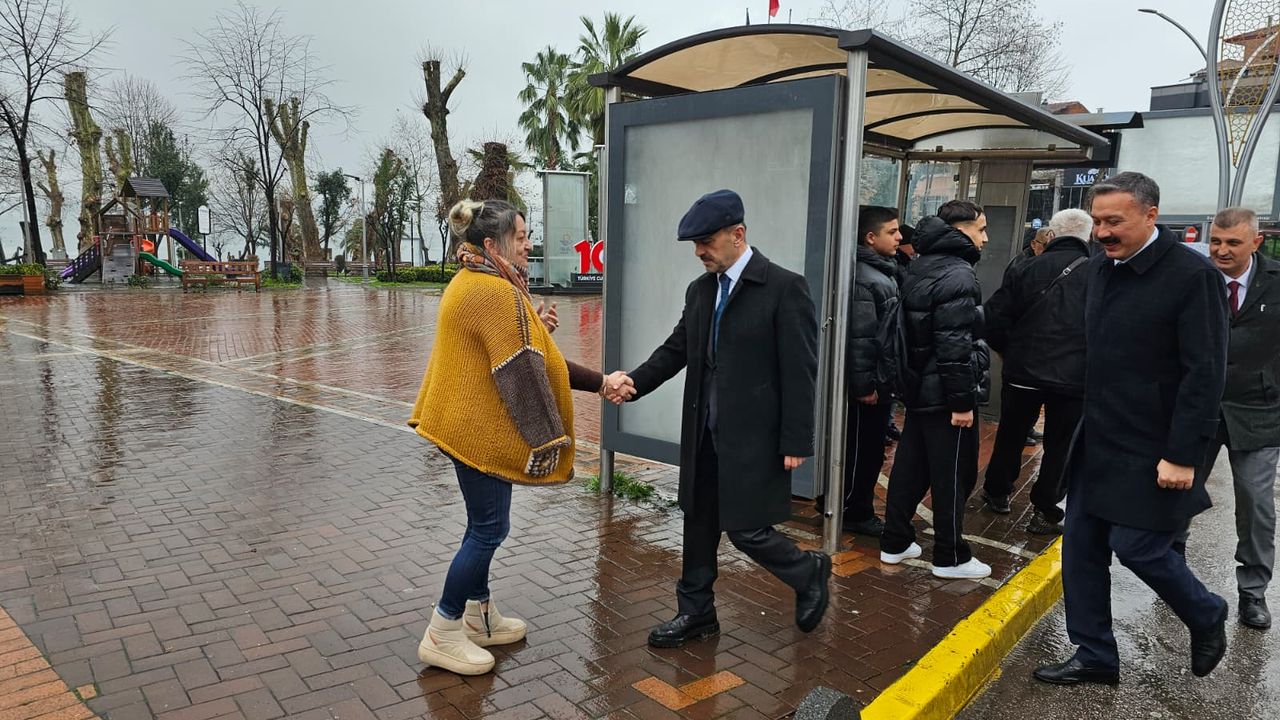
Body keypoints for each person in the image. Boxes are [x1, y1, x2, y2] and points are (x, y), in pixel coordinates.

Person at [408, 199, 633, 675]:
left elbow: (525, 347)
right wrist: (592, 393)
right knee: (489, 529)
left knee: (484, 524)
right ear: (491, 244)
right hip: (476, 433)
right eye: (521, 236)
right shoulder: (495, 294)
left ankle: (479, 615)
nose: (529, 244)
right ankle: (442, 630)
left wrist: (536, 329)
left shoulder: (477, 281)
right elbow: (526, 370)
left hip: (461, 424)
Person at [1035, 172, 1229, 686]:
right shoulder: (1101, 270)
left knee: (1140, 547)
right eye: (1097, 221)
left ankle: (1206, 612)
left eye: (1113, 221)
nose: (1101, 231)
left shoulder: (1192, 277)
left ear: (1150, 215)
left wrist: (1184, 454)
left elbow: (1205, 372)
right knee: (1080, 552)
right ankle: (1095, 654)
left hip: (1154, 448)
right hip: (1097, 439)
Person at [624, 189, 830, 648]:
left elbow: (801, 369)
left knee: (746, 527)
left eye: (706, 241)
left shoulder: (783, 287)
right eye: (694, 244)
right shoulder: (700, 292)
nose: (699, 252)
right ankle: (695, 613)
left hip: (754, 437)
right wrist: (633, 383)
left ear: (738, 234)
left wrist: (797, 439)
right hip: (703, 434)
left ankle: (807, 570)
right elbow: (677, 349)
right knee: (698, 522)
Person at [879, 200, 992, 579]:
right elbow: (954, 344)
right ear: (961, 230)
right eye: (981, 228)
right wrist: (962, 401)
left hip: (919, 391)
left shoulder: (921, 265)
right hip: (946, 394)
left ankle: (895, 542)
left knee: (910, 467)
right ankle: (951, 556)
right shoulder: (958, 274)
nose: (985, 237)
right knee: (953, 475)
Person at [1186, 206, 1280, 630]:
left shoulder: (1277, 282)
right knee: (1179, 493)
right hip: (1199, 408)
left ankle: (1253, 591)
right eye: (1216, 242)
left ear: (1256, 242)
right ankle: (1175, 578)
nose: (1221, 251)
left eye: (1233, 243)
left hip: (1260, 412)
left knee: (1257, 504)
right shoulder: (1195, 280)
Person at [981, 209, 1093, 535]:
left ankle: (997, 492)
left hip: (1022, 373)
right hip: (1074, 379)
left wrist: (1007, 352)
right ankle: (1045, 510)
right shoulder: (1101, 274)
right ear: (1088, 236)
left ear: (1052, 235)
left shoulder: (1025, 268)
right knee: (1061, 444)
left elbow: (994, 317)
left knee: (1011, 433)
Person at [842, 205, 902, 537]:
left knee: (865, 448)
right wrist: (865, 386)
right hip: (871, 387)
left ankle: (854, 504)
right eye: (891, 232)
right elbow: (862, 338)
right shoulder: (867, 279)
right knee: (863, 450)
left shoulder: (879, 273)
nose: (899, 237)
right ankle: (856, 509)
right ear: (870, 237)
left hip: (878, 381)